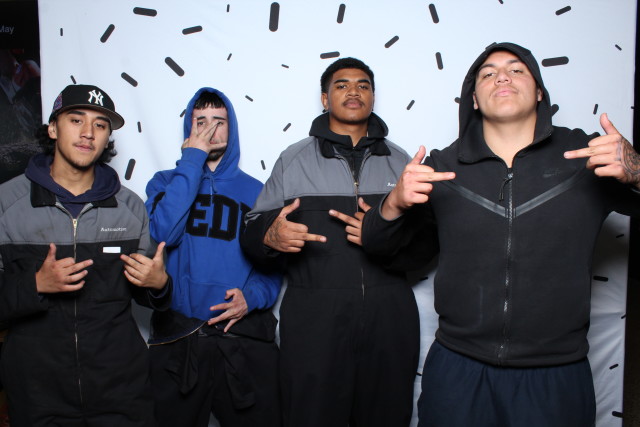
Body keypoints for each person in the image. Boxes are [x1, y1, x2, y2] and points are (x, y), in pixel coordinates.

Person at [361, 42, 640, 427]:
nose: (502, 77)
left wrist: (637, 169)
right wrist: (393, 203)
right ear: (474, 99)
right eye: (488, 73)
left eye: (516, 70)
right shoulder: (441, 166)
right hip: (458, 370)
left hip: (556, 373)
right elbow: (378, 247)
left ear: (539, 92)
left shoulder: (587, 155)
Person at [241, 58, 420, 427]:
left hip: (390, 318)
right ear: (325, 99)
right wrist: (269, 234)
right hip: (314, 319)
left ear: (373, 97)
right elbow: (252, 228)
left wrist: (381, 233)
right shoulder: (293, 159)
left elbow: (424, 242)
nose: (354, 91)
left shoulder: (402, 160)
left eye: (363, 85)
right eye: (342, 85)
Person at [0, 83, 172, 426]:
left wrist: (159, 285)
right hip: (38, 392)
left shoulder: (130, 206)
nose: (88, 133)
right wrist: (36, 285)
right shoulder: (7, 202)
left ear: (107, 138)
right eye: (76, 120)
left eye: (100, 125)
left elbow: (149, 295)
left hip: (120, 389)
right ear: (53, 128)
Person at [145, 88, 282, 427]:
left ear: (231, 128)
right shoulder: (164, 183)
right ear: (188, 129)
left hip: (240, 339)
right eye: (201, 121)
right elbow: (163, 235)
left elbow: (274, 262)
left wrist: (252, 298)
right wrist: (192, 160)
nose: (210, 130)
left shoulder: (258, 191)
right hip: (179, 339)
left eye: (219, 121)